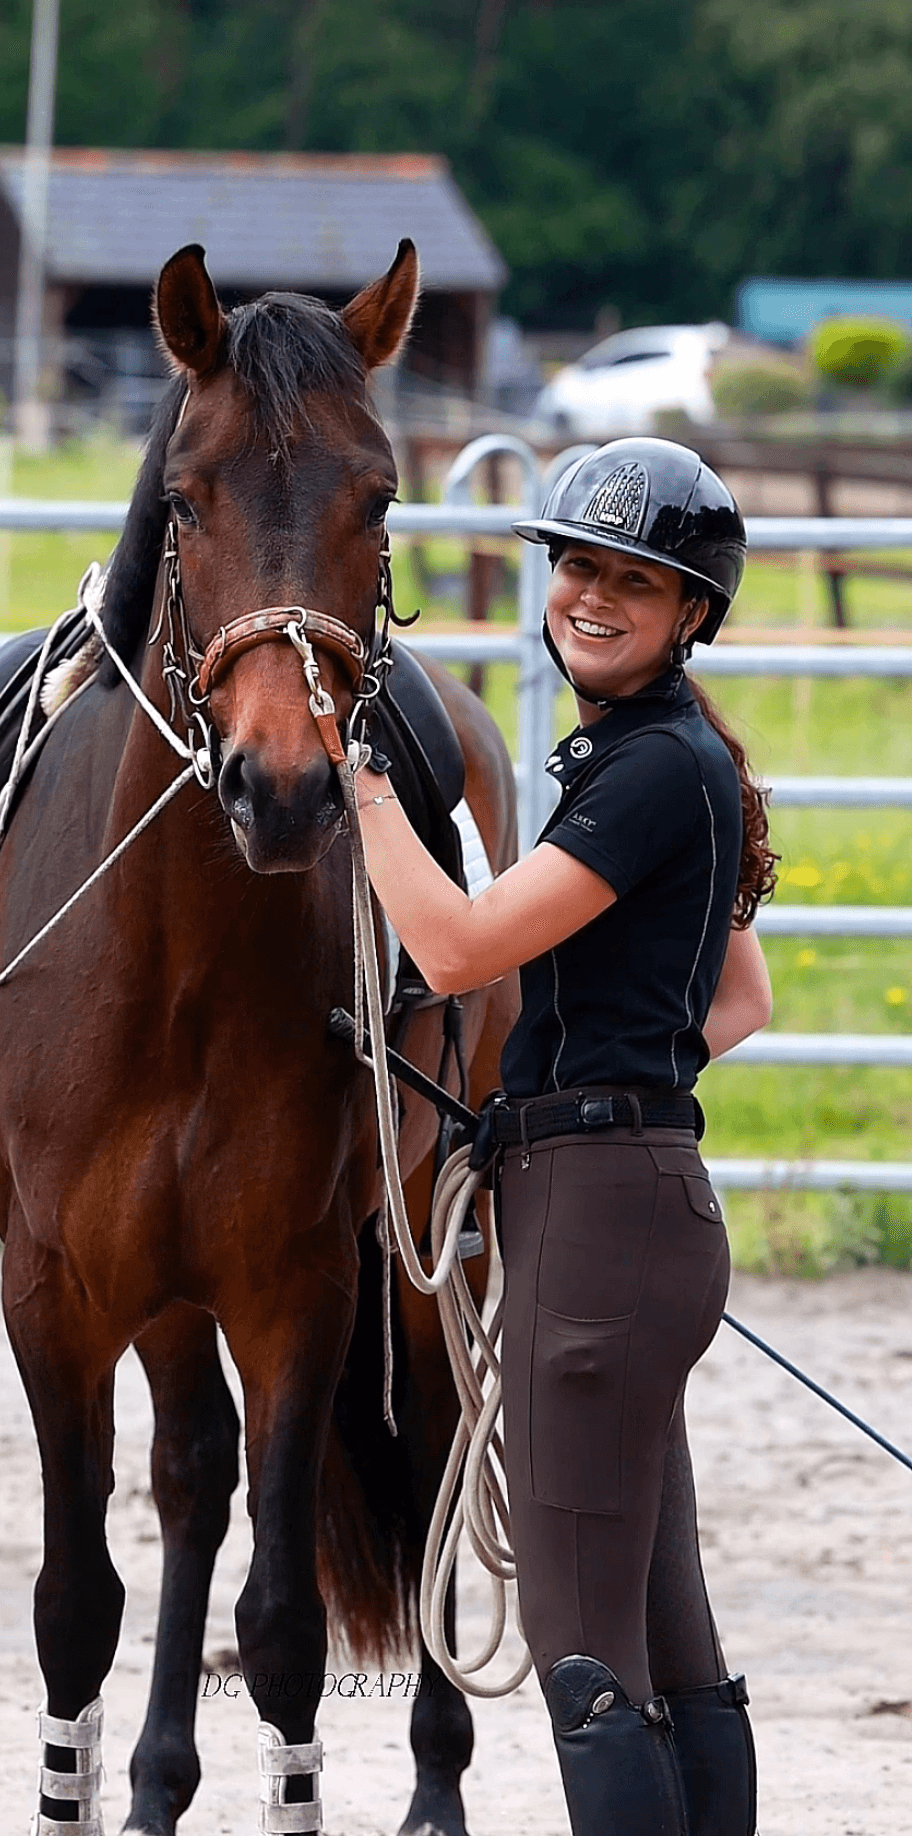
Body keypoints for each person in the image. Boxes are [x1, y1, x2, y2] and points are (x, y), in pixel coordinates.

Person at [354, 439, 776, 1836]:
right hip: (635, 1204)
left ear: (689, 611)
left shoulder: (648, 772)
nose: (591, 597)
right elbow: (741, 998)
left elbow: (460, 946)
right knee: (670, 1648)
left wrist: (361, 798)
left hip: (596, 1232)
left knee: (587, 1661)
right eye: (577, 568)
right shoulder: (666, 756)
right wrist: (606, 1088)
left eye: (633, 582)